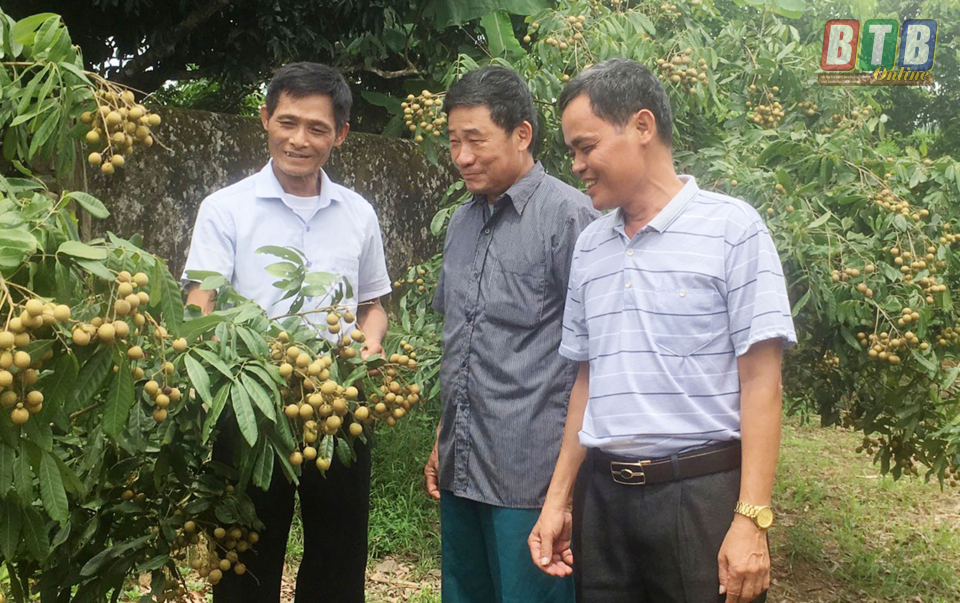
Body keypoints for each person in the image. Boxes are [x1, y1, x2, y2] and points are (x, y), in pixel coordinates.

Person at [528, 58, 797, 603]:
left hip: (700, 497)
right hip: (603, 501)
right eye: (573, 152)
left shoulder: (732, 229)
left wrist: (751, 519)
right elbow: (588, 381)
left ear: (642, 127)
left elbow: (762, 383)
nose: (577, 165)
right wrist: (559, 499)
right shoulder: (590, 246)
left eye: (586, 146)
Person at [181, 62, 391, 603]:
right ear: (265, 119)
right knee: (246, 556)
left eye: (317, 128)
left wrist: (370, 344)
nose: (300, 139)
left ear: (340, 135)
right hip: (251, 406)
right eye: (288, 122)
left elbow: (373, 304)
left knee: (339, 555)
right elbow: (200, 306)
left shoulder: (359, 214)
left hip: (336, 404)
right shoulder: (224, 209)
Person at [424, 65, 598, 603]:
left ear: (522, 134)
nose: (463, 157)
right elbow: (462, 343)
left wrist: (564, 492)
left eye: (476, 140)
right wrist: (440, 440)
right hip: (462, 463)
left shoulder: (572, 219)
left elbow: (596, 360)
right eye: (453, 141)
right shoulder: (460, 223)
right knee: (465, 593)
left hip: (532, 475)